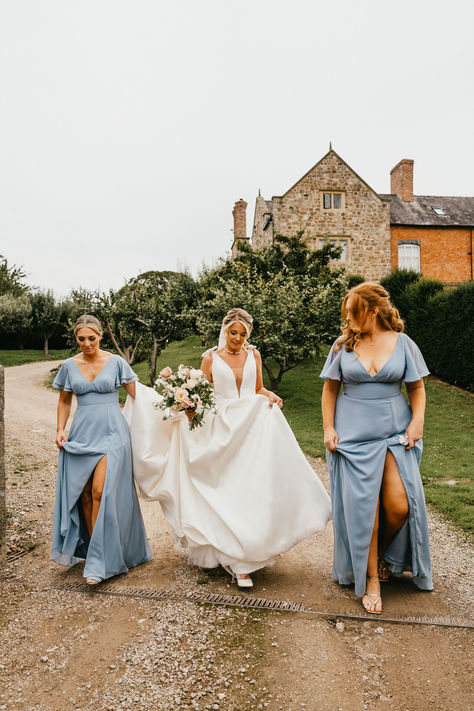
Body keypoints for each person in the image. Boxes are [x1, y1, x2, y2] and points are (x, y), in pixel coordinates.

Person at [124, 308, 331, 588]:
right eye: (233, 332)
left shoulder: (254, 355)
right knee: (223, 487)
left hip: (250, 425)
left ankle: (251, 549)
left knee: (251, 486)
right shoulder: (210, 358)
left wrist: (271, 395)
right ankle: (233, 555)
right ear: (225, 331)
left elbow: (258, 388)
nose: (237, 338)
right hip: (220, 427)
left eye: (243, 334)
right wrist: (189, 409)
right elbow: (201, 394)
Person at [320, 283, 433, 614]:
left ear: (371, 311)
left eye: (352, 311)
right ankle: (370, 579)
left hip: (396, 435)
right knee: (365, 510)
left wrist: (417, 423)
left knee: (399, 506)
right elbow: (329, 391)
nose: (347, 317)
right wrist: (329, 427)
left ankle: (381, 552)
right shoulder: (343, 346)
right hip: (352, 439)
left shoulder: (404, 344)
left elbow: (417, 388)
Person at [51, 314, 151, 584]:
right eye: (81, 339)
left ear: (100, 336)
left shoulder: (116, 362)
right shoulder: (69, 366)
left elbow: (138, 395)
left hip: (112, 434)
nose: (86, 343)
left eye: (91, 338)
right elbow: (64, 401)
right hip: (81, 434)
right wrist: (60, 429)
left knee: (99, 492)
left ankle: (99, 562)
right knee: (82, 496)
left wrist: (173, 401)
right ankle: (98, 552)